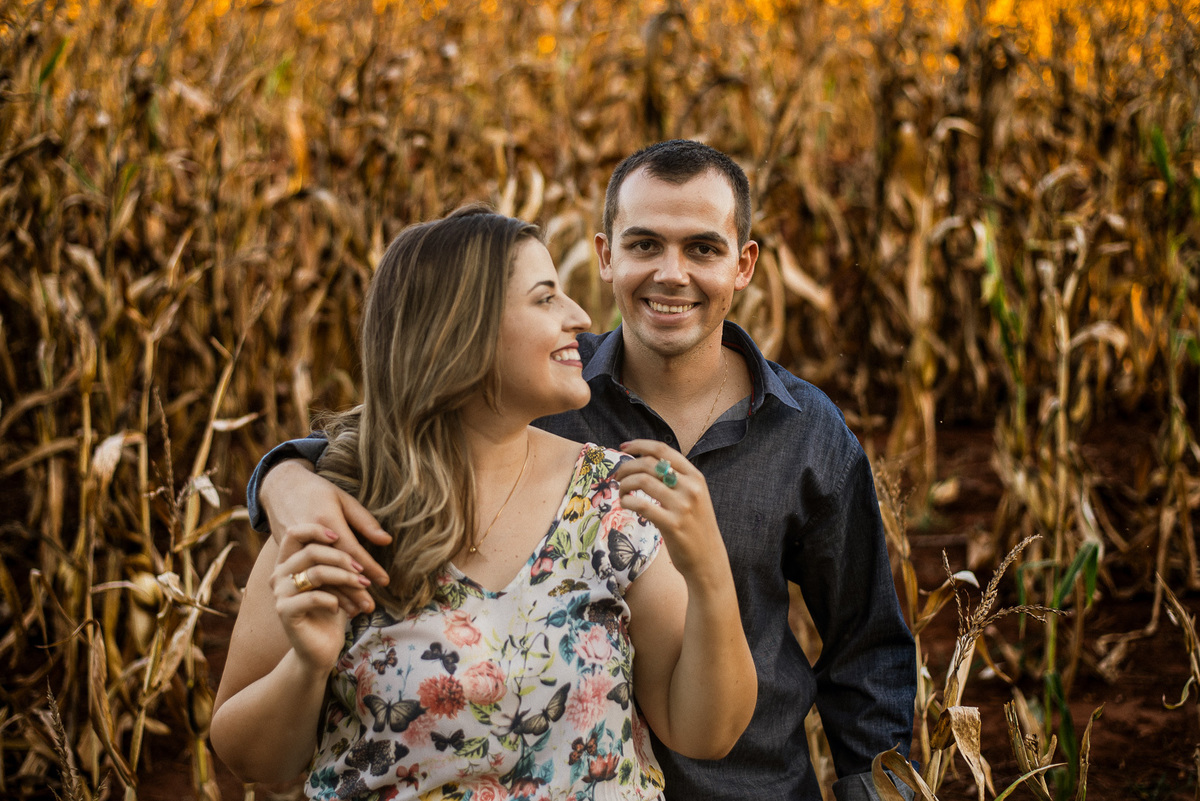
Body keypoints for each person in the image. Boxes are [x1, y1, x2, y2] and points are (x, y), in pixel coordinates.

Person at [246, 141, 917, 800]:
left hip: (748, 782)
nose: (671, 273)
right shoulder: (540, 387)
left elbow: (866, 645)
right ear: (606, 255)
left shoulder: (807, 434)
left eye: (703, 249)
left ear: (743, 266)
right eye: (645, 245)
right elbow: (396, 427)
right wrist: (284, 479)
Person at [211, 206, 757, 800]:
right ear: (459, 331)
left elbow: (706, 733)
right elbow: (250, 761)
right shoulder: (333, 512)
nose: (579, 316)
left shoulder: (609, 501)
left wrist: (709, 574)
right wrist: (306, 666)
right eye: (546, 298)